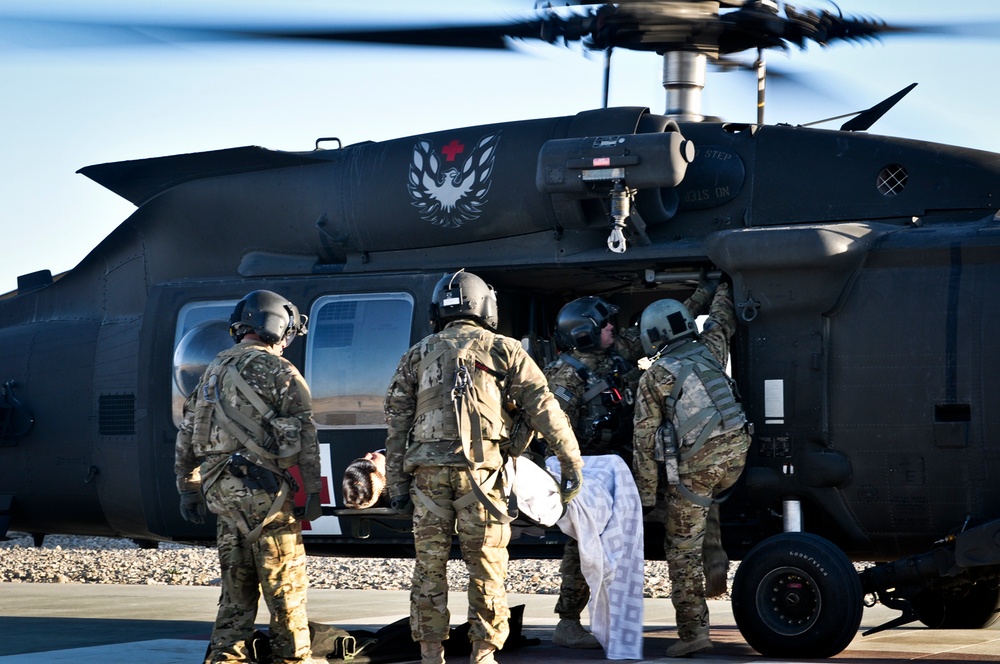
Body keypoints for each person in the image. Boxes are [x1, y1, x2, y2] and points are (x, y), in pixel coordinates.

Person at [383, 269, 585, 664]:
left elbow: (396, 426)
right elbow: (544, 407)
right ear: (485, 306)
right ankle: (483, 655)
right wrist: (570, 461)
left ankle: (429, 653)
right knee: (487, 565)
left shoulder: (417, 354)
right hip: (483, 477)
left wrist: (397, 487)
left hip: (427, 479)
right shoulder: (505, 349)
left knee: (429, 569)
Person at [175, 290, 324, 664]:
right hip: (268, 500)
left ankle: (226, 657)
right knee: (286, 593)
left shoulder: (211, 371)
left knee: (235, 595)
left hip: (223, 498)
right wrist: (311, 497)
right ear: (278, 327)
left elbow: (186, 434)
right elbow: (305, 440)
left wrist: (188, 488)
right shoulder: (279, 371)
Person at [632, 278, 751, 658]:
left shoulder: (655, 375)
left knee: (681, 548)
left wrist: (646, 498)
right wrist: (723, 283)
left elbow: (645, 441)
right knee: (701, 497)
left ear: (654, 336)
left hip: (699, 471)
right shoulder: (711, 349)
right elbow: (721, 318)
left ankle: (694, 631)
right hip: (736, 460)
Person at [542, 295, 643, 649]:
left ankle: (610, 618)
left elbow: (648, 335)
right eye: (604, 325)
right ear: (585, 332)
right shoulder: (564, 376)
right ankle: (568, 621)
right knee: (582, 544)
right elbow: (551, 431)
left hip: (614, 469)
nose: (612, 328)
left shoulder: (612, 357)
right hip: (584, 474)